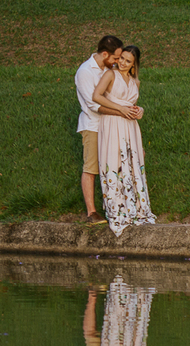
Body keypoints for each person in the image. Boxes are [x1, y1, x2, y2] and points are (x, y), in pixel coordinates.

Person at [92, 45, 156, 236]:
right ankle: (118, 210)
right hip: (112, 123)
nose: (122, 63)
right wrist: (120, 109)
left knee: (130, 163)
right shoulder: (110, 75)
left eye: (128, 61)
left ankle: (135, 208)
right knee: (115, 162)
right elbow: (96, 96)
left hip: (130, 126)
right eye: (122, 58)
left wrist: (139, 110)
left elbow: (132, 104)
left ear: (134, 64)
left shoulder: (135, 81)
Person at [75, 35, 123, 226]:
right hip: (93, 125)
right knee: (91, 168)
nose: (117, 62)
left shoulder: (109, 69)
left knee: (113, 165)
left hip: (111, 125)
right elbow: (93, 105)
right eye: (115, 58)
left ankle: (114, 206)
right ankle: (91, 212)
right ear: (105, 54)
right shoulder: (85, 72)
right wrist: (120, 111)